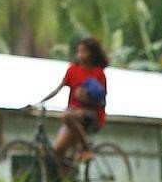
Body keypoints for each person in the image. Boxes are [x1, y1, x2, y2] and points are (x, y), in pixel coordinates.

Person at [36, 36, 109, 172]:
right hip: (73, 116)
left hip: (91, 116)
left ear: (92, 54)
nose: (80, 55)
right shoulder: (72, 70)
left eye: (84, 51)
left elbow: (102, 101)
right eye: (79, 51)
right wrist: (41, 101)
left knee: (66, 116)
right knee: (58, 151)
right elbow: (59, 88)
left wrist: (86, 98)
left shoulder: (98, 73)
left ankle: (86, 148)